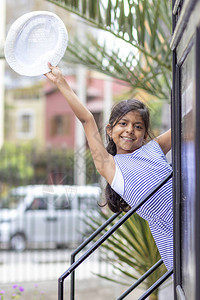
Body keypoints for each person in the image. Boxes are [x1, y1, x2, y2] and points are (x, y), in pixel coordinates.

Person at [45, 64, 173, 272]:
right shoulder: (111, 166)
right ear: (110, 129)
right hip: (178, 243)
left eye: (138, 126)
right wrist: (61, 82)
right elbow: (87, 119)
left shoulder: (154, 149)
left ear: (144, 134)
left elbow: (185, 125)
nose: (130, 130)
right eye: (123, 123)